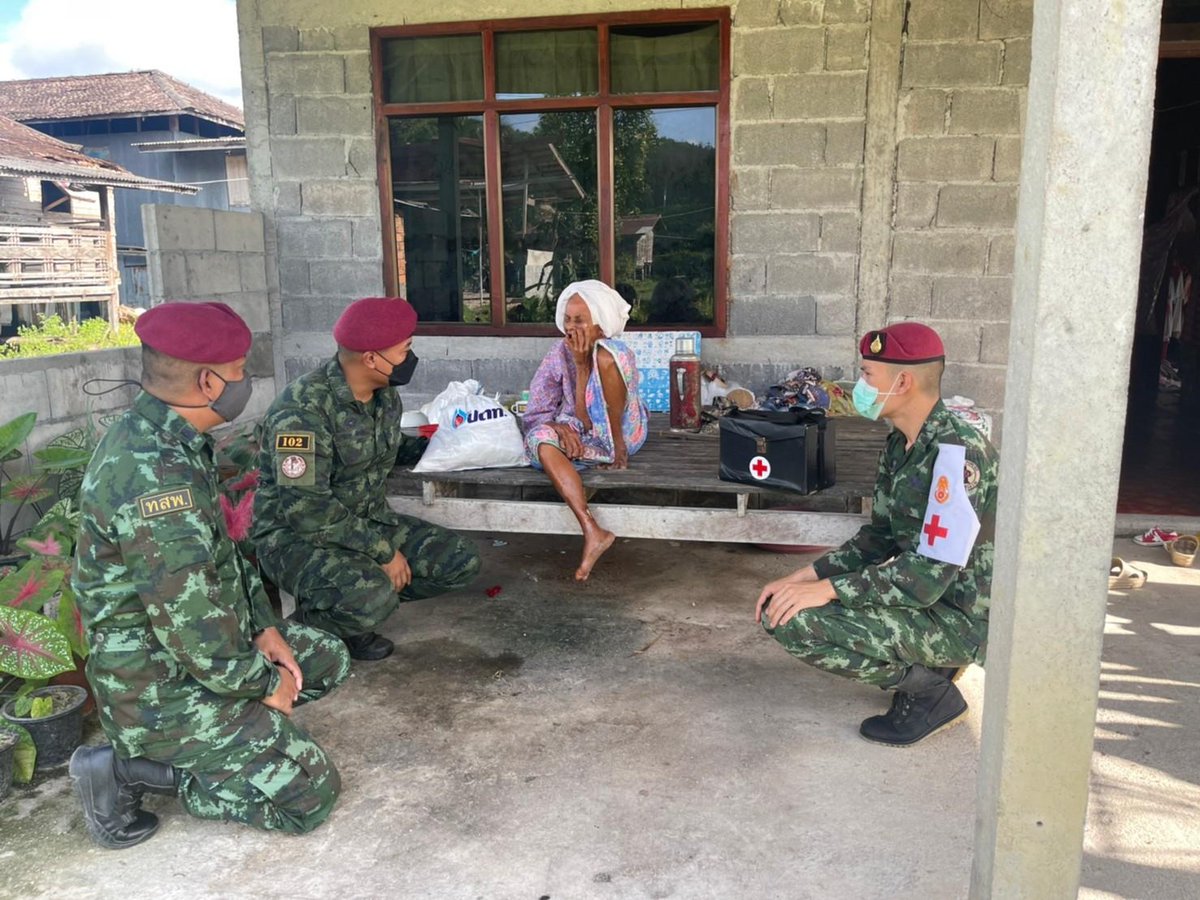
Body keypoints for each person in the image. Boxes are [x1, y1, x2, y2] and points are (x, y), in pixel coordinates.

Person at [70, 302, 351, 849]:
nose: (245, 383)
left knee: (325, 658)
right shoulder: (153, 477)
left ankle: (237, 734)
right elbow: (192, 626)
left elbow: (223, 556)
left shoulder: (174, 438)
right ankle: (130, 769)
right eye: (241, 371)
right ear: (208, 381)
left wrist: (268, 629)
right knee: (309, 794)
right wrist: (264, 683)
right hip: (155, 684)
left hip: (196, 651)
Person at [754, 322, 999, 747]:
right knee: (782, 603)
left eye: (868, 375)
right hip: (932, 603)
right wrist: (805, 577)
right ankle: (930, 669)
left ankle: (929, 693)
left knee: (795, 623)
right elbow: (879, 537)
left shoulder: (957, 454)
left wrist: (830, 591)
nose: (859, 386)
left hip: (965, 618)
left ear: (902, 382)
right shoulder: (900, 443)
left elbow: (923, 580)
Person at [251, 297, 481, 662]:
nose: (410, 357)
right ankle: (293, 634)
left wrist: (452, 443)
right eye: (405, 350)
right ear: (371, 359)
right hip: (295, 538)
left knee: (457, 561)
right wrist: (383, 553)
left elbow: (386, 450)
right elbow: (309, 511)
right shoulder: (302, 410)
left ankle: (348, 615)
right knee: (375, 595)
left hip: (364, 521)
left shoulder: (385, 397)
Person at [523, 280, 650, 580]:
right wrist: (555, 427)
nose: (571, 328)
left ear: (600, 325)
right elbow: (536, 412)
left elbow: (598, 421)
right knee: (538, 439)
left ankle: (595, 457)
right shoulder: (558, 353)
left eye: (580, 320)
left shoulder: (616, 354)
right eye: (567, 319)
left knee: (605, 358)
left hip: (621, 432)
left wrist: (584, 365)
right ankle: (591, 528)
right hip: (580, 433)